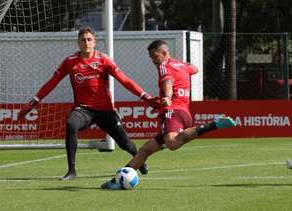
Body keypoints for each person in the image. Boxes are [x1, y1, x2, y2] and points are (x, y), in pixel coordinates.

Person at [18, 27, 157, 180]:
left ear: (94, 42)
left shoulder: (103, 59)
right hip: (83, 109)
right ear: (78, 42)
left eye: (89, 39)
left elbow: (125, 80)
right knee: (71, 124)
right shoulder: (70, 62)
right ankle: (71, 171)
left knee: (125, 144)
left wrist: (146, 97)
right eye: (83, 40)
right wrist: (33, 103)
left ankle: (139, 159)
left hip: (105, 110)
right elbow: (52, 83)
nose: (86, 42)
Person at [101, 39, 237, 189]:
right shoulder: (182, 65)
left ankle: (214, 124)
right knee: (145, 150)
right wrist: (182, 65)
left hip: (174, 111)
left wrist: (167, 96)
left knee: (171, 142)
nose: (153, 60)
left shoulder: (164, 66)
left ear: (164, 53)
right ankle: (117, 181)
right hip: (184, 114)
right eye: (151, 56)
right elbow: (195, 69)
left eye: (154, 55)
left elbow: (168, 81)